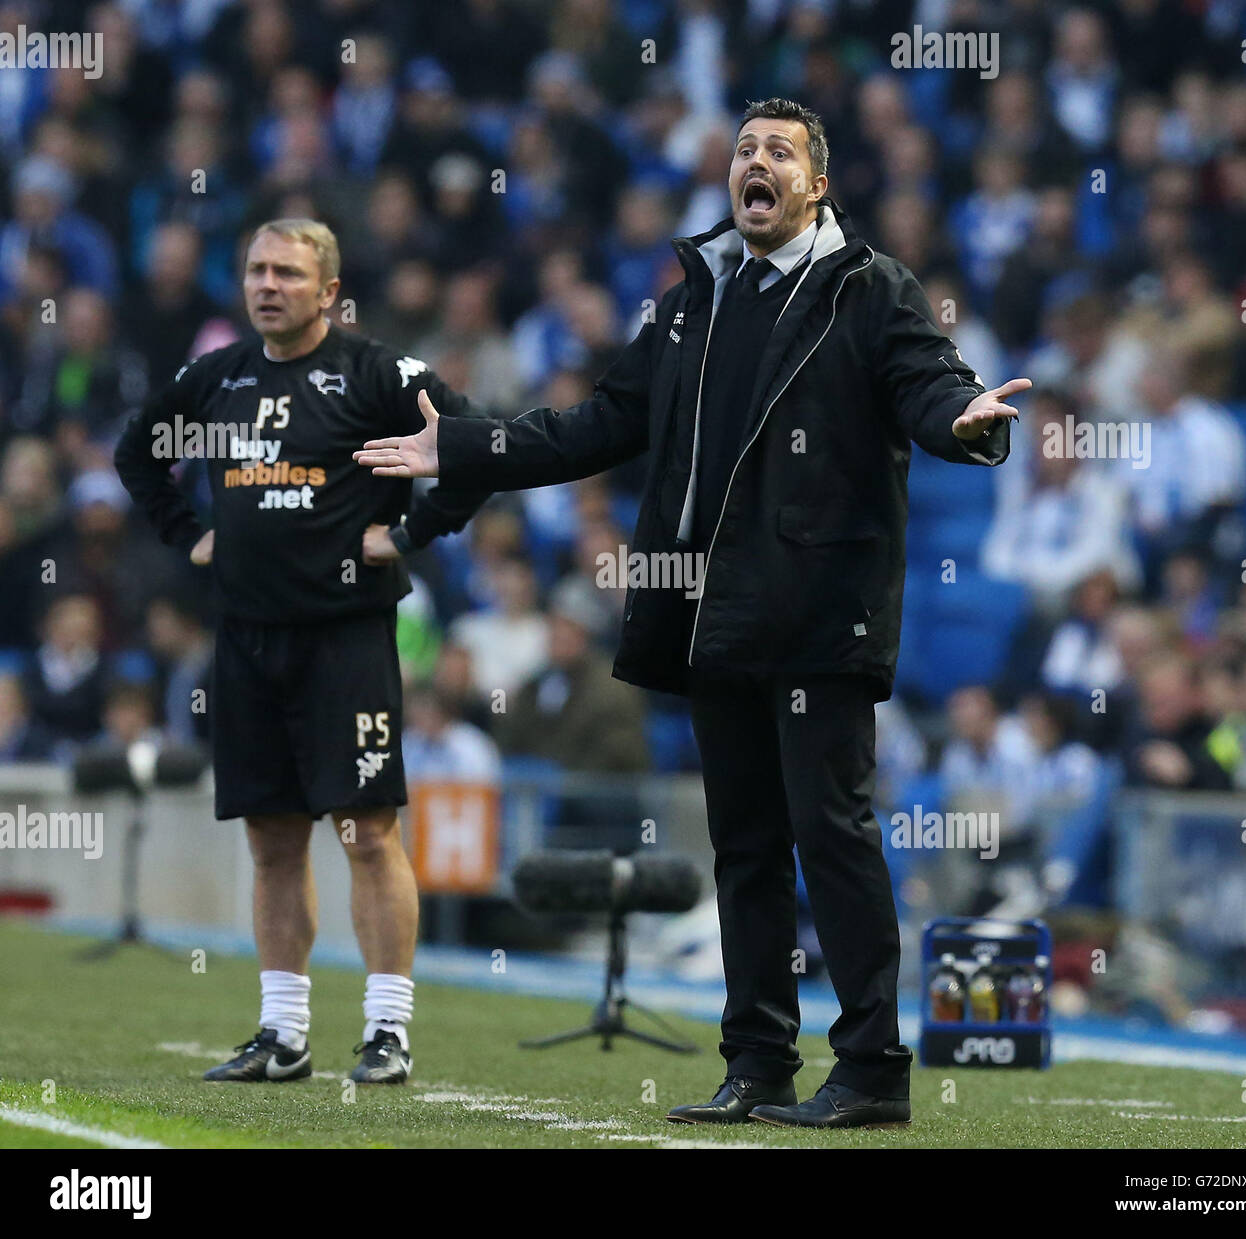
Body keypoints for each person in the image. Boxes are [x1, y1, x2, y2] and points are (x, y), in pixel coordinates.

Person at [358, 99, 1029, 1129]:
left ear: (815, 184)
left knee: (830, 835)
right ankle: (757, 1062)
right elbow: (596, 426)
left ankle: (871, 1070)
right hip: (713, 616)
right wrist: (464, 448)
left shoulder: (869, 287)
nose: (754, 163)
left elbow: (929, 385)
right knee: (746, 848)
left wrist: (969, 422)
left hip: (819, 611)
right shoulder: (688, 304)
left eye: (778, 152)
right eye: (743, 150)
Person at [115, 219, 480, 1085]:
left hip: (344, 639)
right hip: (244, 641)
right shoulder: (217, 376)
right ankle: (284, 1034)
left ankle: (387, 1030)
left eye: (287, 272)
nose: (267, 285)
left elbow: (473, 444)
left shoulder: (376, 372)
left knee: (367, 833)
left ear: (328, 291)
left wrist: (414, 529)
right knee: (273, 840)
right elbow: (138, 451)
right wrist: (186, 534)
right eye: (255, 270)